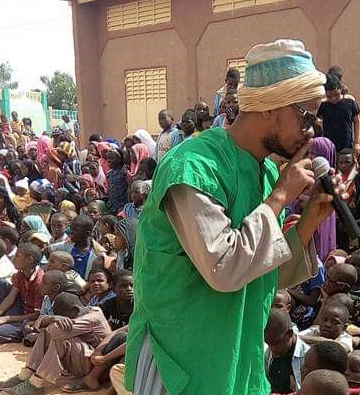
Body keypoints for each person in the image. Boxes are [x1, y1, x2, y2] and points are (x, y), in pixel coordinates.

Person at [124, 39, 344, 395]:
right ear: (271, 105)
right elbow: (225, 268)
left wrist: (308, 222)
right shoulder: (194, 167)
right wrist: (280, 198)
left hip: (236, 356)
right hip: (182, 360)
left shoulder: (268, 174)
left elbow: (260, 272)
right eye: (305, 117)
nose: (311, 131)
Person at [0, 292, 112, 395]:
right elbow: (43, 328)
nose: (64, 319)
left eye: (65, 316)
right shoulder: (83, 311)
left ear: (75, 310)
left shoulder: (92, 317)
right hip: (85, 362)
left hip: (96, 370)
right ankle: (26, 374)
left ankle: (36, 384)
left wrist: (49, 320)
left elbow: (53, 331)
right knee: (48, 333)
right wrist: (52, 319)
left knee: (60, 339)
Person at [0, 243, 45, 343]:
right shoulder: (21, 273)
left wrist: (7, 319)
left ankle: (20, 334)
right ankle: (7, 323)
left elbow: (36, 314)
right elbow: (10, 298)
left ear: (29, 260)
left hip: (29, 318)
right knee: (0, 284)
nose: (14, 258)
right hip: (20, 309)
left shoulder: (39, 281)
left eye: (17, 256)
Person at [264, 308, 311, 393]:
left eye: (276, 343)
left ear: (289, 334)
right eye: (268, 343)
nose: (272, 349)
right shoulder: (269, 352)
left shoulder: (308, 357)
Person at [46, 215, 106, 280]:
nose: (71, 232)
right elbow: (47, 250)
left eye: (75, 230)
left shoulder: (96, 254)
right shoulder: (66, 246)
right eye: (71, 229)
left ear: (87, 233)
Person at [317, 73, 360, 153]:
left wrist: (357, 143)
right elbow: (316, 121)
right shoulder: (323, 105)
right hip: (329, 147)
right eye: (329, 96)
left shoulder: (350, 102)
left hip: (347, 145)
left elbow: (357, 121)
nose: (333, 99)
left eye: (336, 95)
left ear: (340, 89)